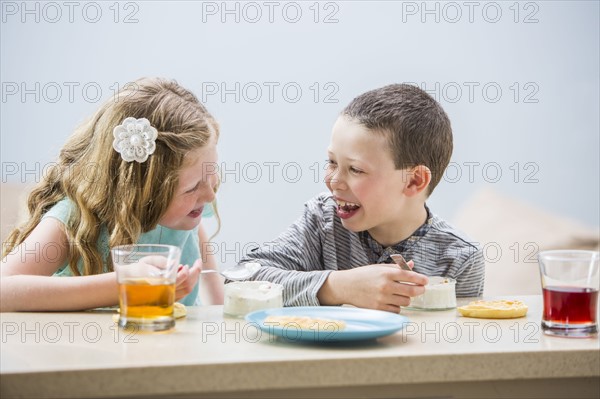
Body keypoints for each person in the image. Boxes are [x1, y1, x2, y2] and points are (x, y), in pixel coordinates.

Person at [240, 84, 485, 312]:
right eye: (332, 162)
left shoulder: (460, 259)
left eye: (355, 169)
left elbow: (458, 347)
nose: (333, 181)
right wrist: (338, 287)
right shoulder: (323, 222)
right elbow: (241, 277)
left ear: (414, 181)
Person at [1, 77, 224, 312]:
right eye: (192, 187)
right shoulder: (75, 219)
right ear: (138, 188)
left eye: (211, 174)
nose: (210, 195)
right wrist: (123, 285)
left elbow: (214, 293)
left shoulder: (186, 213)